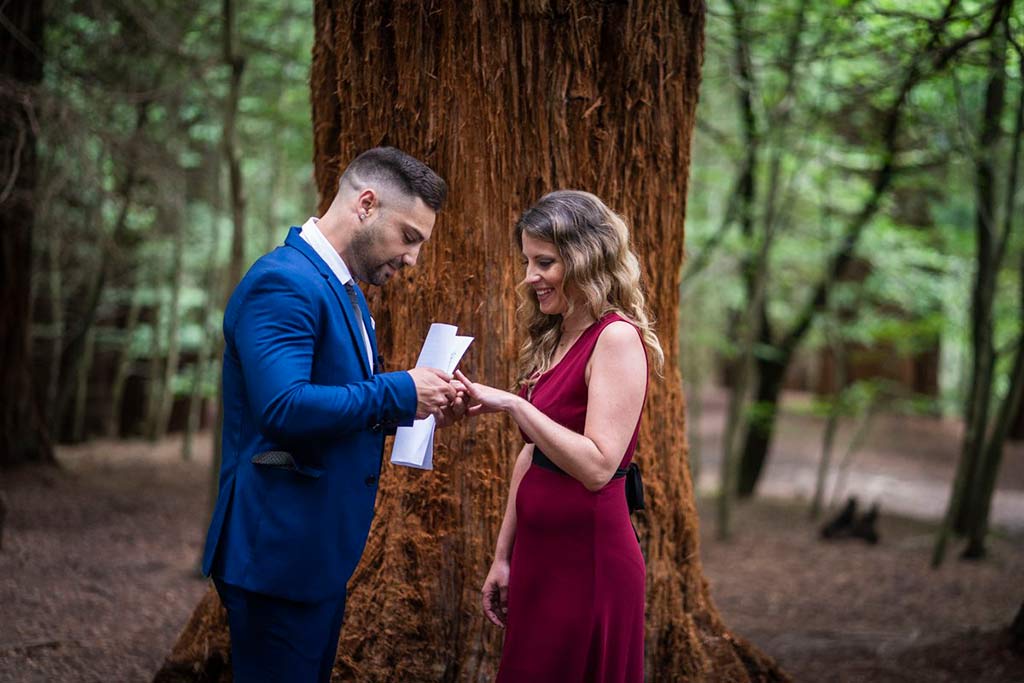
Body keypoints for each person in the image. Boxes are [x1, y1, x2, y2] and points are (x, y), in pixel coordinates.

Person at [201, 147, 464, 682]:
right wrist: (398, 392)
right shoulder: (284, 282)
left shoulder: (345, 292)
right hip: (276, 557)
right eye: (409, 237)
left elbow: (341, 401)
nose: (413, 259)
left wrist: (420, 405)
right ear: (366, 204)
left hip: (313, 557)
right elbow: (283, 407)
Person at [456, 190, 664, 682]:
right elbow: (533, 457)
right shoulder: (555, 336)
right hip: (539, 559)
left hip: (588, 562)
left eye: (544, 262)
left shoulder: (615, 338)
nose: (530, 277)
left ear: (585, 259)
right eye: (528, 261)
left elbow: (597, 467)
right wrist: (503, 557)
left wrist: (513, 403)